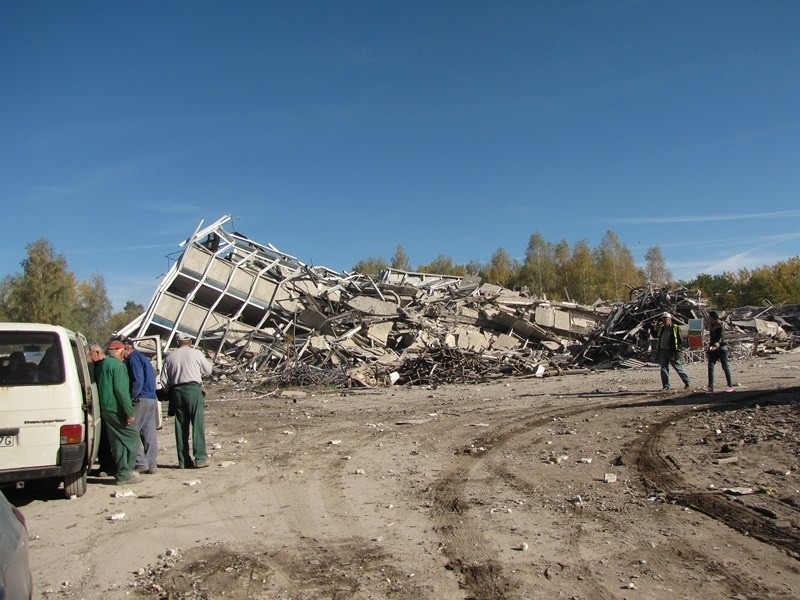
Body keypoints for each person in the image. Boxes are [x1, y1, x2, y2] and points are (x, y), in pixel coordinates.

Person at [163, 333, 213, 468]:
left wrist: (170, 392)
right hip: (193, 389)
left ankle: (184, 460)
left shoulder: (170, 356)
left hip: (176, 391)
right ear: (190, 341)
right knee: (197, 423)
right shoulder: (196, 353)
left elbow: (163, 380)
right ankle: (200, 458)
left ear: (177, 341)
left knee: (180, 426)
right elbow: (209, 370)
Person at [97, 339, 141, 485]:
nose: (125, 354)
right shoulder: (118, 366)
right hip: (116, 409)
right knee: (132, 437)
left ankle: (122, 470)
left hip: (106, 408)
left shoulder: (103, 365)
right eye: (123, 351)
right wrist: (129, 411)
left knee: (118, 441)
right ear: (118, 350)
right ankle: (126, 472)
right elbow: (121, 391)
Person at [121, 337, 159, 474]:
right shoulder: (144, 358)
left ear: (127, 348)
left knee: (130, 431)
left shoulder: (133, 359)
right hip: (151, 398)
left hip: (141, 399)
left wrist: (131, 398)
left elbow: (138, 380)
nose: (121, 355)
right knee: (149, 433)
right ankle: (152, 464)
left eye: (121, 351)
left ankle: (140, 463)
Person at [88, 343, 116, 476]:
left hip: (107, 407)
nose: (89, 358)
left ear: (97, 353)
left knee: (106, 439)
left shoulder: (105, 366)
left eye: (90, 354)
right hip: (100, 407)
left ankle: (108, 466)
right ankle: (105, 465)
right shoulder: (99, 366)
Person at [655, 312, 691, 391]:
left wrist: (678, 350)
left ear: (670, 320)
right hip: (663, 351)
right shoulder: (662, 328)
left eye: (666, 320)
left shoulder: (675, 328)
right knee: (663, 369)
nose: (664, 322)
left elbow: (681, 341)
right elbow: (657, 337)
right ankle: (666, 386)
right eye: (663, 320)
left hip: (672, 352)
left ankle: (687, 382)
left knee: (678, 368)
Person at [704, 310, 736, 393]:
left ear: (713, 317)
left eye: (709, 317)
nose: (708, 319)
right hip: (713, 348)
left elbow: (721, 336)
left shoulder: (720, 324)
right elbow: (712, 338)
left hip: (721, 348)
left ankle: (730, 386)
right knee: (710, 366)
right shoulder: (711, 325)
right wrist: (709, 348)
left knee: (725, 367)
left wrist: (717, 343)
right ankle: (710, 386)